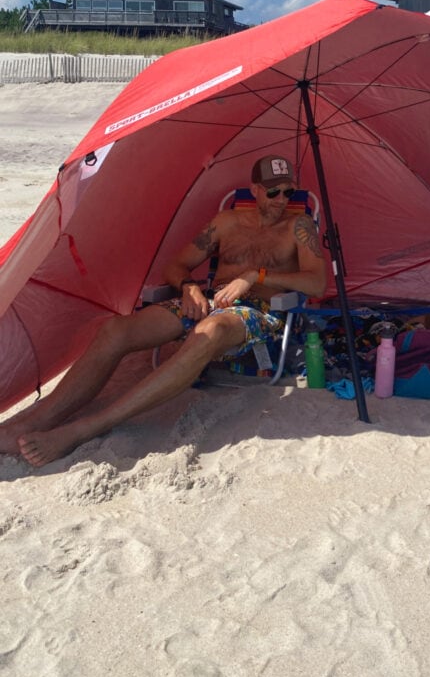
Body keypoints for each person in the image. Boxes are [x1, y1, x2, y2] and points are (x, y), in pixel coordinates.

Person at [0, 155, 327, 467]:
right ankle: (41, 419)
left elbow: (317, 283)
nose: (281, 199)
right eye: (272, 191)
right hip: (209, 300)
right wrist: (189, 287)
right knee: (115, 329)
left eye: (288, 191)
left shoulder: (299, 227)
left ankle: (88, 427)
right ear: (255, 189)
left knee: (208, 332)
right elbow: (177, 264)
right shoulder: (226, 223)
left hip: (257, 310)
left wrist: (256, 276)